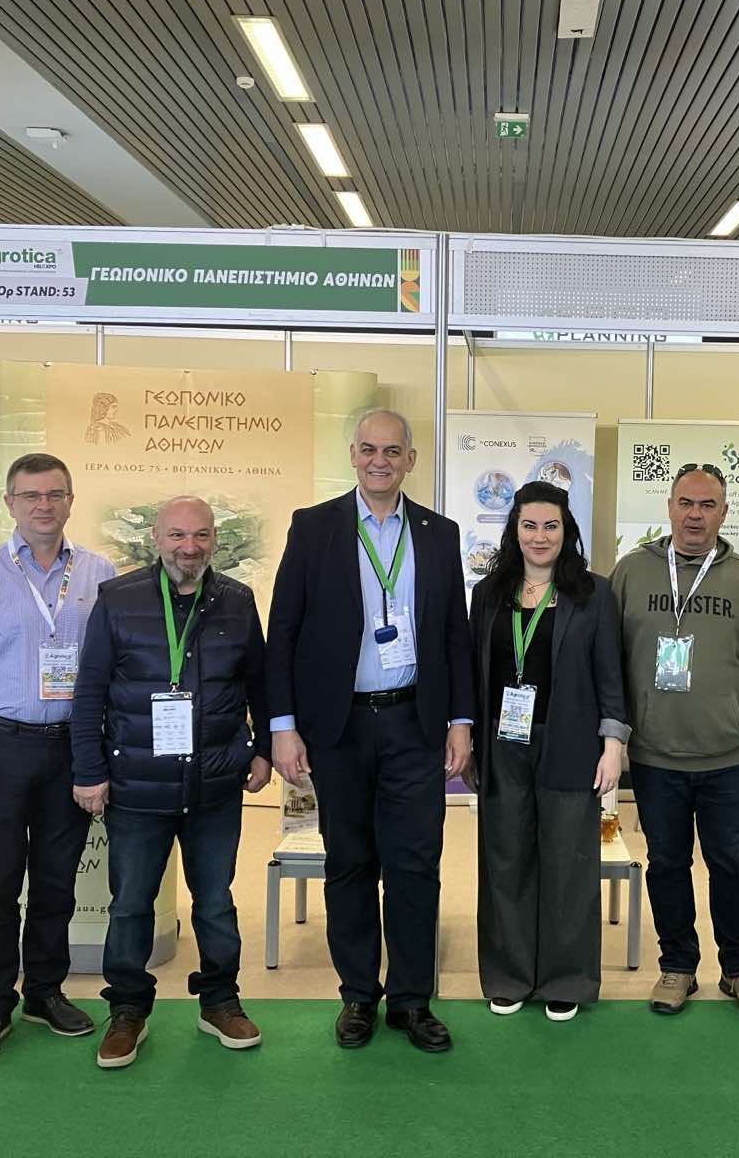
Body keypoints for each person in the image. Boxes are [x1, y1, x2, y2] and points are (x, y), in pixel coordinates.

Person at [265, 408, 472, 1054]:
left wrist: (461, 719)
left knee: (415, 865)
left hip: (415, 723)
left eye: (392, 451)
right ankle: (358, 994)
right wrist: (282, 726)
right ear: (353, 455)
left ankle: (411, 1001)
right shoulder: (314, 527)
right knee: (350, 862)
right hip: (339, 726)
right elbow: (283, 631)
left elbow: (455, 634)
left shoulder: (439, 533)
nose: (380, 461)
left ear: (411, 459)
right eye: (369, 449)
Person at [70, 495, 271, 1069]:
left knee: (216, 902)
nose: (190, 547)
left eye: (201, 536)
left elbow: (259, 684)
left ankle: (220, 1002)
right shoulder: (118, 599)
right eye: (178, 536)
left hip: (215, 784)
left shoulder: (237, 600)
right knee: (131, 904)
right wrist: (89, 770)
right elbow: (90, 692)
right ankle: (128, 1011)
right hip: (138, 784)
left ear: (214, 541)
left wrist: (261, 751)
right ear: (156, 539)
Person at [0, 453, 115, 1063]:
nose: (43, 505)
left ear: (70, 501)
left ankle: (44, 992)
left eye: (55, 494)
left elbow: (113, 667)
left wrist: (99, 756)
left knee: (58, 882)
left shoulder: (99, 573)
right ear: (9, 503)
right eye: (31, 495)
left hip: (71, 747)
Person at [611, 462, 739, 1018]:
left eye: (708, 505)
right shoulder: (632, 571)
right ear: (669, 507)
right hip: (654, 753)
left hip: (727, 756)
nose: (695, 515)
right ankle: (678, 966)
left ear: (724, 512)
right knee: (666, 864)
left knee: (732, 865)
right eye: (686, 503)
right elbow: (607, 657)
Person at [468, 481, 629, 1022]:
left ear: (567, 531)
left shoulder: (593, 593)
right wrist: (467, 739)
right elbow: (472, 670)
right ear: (514, 530)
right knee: (505, 859)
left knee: (568, 864)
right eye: (530, 525)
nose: (540, 536)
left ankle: (567, 979)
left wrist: (613, 744)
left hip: (570, 741)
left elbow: (611, 674)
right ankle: (509, 975)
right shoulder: (488, 593)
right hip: (501, 742)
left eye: (551, 526)